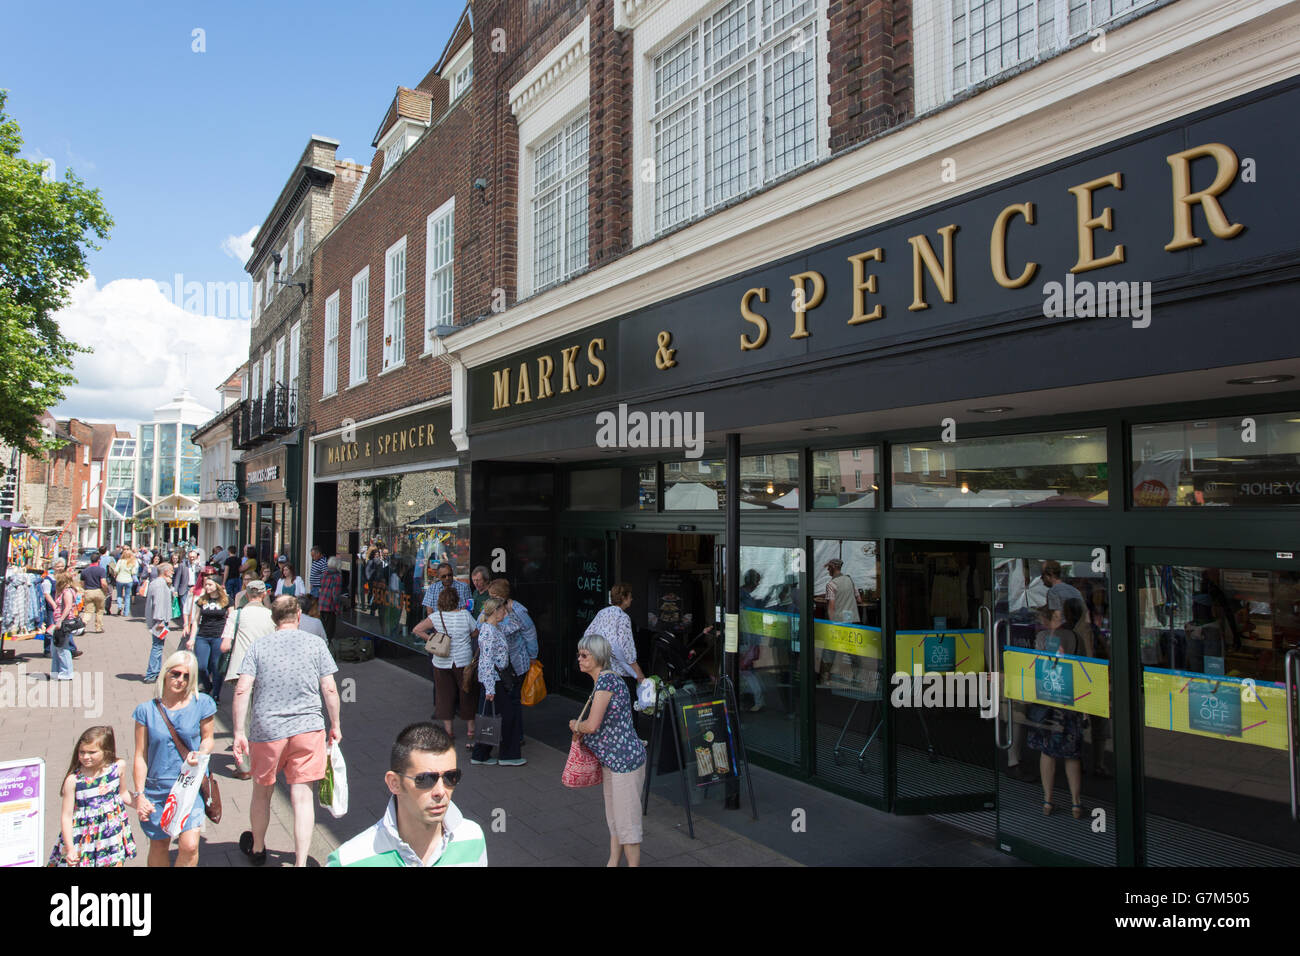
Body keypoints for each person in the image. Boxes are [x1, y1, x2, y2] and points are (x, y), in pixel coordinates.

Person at [233, 596, 341, 867]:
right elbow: (329, 687)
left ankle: (257, 848)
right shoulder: (315, 644)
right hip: (307, 727)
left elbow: (242, 688)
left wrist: (237, 732)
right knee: (302, 797)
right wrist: (335, 724)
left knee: (262, 791)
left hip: (267, 729)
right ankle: (301, 861)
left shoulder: (259, 646)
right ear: (299, 616)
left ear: (274, 618)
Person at [327, 722, 486, 867]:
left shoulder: (472, 838)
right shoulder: (349, 861)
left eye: (451, 777)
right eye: (425, 779)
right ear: (394, 783)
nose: (440, 791)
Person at [131, 651, 216, 867]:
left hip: (189, 786)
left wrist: (202, 752)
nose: (180, 680)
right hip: (157, 788)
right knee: (159, 845)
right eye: (175, 673)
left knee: (189, 846)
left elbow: (208, 739)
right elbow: (140, 755)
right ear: (165, 673)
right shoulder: (146, 711)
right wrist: (139, 795)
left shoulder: (202, 703)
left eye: (187, 676)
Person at [570, 633, 647, 867]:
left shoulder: (605, 682)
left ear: (598, 657)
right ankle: (612, 862)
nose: (580, 659)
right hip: (615, 761)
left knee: (627, 822)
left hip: (623, 762)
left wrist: (576, 725)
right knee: (616, 819)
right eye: (579, 655)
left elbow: (592, 725)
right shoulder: (608, 679)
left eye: (585, 655)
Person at [49, 726, 138, 867]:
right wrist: (70, 848)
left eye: (92, 752)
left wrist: (141, 805)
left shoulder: (118, 767)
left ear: (106, 751)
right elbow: (66, 816)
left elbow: (123, 793)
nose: (85, 757)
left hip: (111, 834)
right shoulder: (74, 780)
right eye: (82, 752)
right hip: (84, 839)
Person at [1028, 605, 1085, 818]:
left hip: (1047, 698)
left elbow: (1037, 664)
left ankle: (1048, 800)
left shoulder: (1042, 637)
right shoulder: (1075, 637)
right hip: (1069, 698)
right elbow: (1083, 666)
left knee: (1047, 751)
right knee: (1072, 754)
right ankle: (1076, 803)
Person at [218, 580, 274, 778]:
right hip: (265, 669)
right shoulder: (271, 615)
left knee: (243, 716)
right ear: (264, 595)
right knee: (262, 715)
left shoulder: (237, 614)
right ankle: (264, 759)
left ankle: (244, 767)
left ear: (247, 595)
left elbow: (224, 646)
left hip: (242, 670)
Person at [413, 587, 478, 742]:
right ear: (456, 600)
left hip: (441, 661)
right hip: (463, 660)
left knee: (444, 695)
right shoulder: (465, 615)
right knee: (467, 693)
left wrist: (432, 639)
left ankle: (448, 730)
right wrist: (467, 637)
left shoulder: (436, 616)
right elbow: (477, 631)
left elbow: (417, 629)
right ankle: (471, 729)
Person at [471, 598, 528, 767]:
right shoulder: (489, 631)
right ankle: (508, 755)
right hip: (494, 681)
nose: (505, 613)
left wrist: (511, 609)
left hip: (496, 680)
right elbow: (486, 661)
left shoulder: (497, 627)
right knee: (508, 716)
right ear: (495, 612)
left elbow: (517, 624)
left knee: (490, 716)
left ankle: (481, 754)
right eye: (502, 610)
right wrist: (489, 688)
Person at [584, 583, 645, 684]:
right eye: (630, 596)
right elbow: (627, 649)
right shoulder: (623, 617)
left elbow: (587, 635)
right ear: (623, 598)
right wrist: (640, 675)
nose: (631, 599)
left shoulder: (602, 613)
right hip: (619, 674)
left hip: (601, 670)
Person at [182, 578, 231, 701]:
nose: (207, 587)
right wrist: (192, 638)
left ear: (217, 585)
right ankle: (207, 685)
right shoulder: (202, 600)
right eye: (206, 585)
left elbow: (231, 619)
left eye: (210, 584)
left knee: (216, 666)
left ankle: (216, 694)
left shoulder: (226, 600)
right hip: (203, 636)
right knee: (201, 666)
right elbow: (196, 620)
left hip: (218, 636)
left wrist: (228, 637)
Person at [819, 558, 860, 682]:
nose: (827, 570)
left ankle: (825, 678)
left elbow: (831, 607)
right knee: (851, 650)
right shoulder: (849, 580)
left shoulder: (831, 585)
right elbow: (859, 599)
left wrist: (832, 625)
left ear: (832, 568)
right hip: (850, 620)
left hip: (838, 621)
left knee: (829, 651)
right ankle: (857, 678)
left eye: (828, 568)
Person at [143, 563, 175, 684]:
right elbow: (159, 603)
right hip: (159, 621)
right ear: (165, 571)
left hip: (159, 620)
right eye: (171, 570)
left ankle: (155, 672)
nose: (173, 572)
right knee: (157, 646)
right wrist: (160, 620)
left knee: (159, 646)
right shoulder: (160, 585)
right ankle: (151, 674)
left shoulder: (158, 583)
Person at [49, 570, 79, 681]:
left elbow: (68, 607)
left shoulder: (67, 592)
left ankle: (67, 672)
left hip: (64, 623)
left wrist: (60, 620)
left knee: (62, 648)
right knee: (56, 647)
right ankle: (56, 671)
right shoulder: (64, 591)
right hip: (60, 622)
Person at [78, 553, 108, 633]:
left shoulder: (85, 571)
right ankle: (98, 628)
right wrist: (106, 590)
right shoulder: (101, 570)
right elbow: (103, 583)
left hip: (88, 591)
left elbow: (81, 583)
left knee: (88, 611)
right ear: (98, 560)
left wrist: (84, 590)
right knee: (99, 610)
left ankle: (83, 625)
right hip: (98, 591)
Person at [318, 556, 344, 648]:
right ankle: (327, 649)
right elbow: (335, 594)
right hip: (330, 606)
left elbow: (321, 589)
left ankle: (321, 646)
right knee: (329, 631)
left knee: (323, 628)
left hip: (322, 604)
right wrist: (338, 609)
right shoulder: (337, 576)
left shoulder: (324, 574)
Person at [113, 547, 139, 616]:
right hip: (128, 580)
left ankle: (119, 606)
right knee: (127, 596)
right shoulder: (132, 562)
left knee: (119, 594)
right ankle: (126, 612)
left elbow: (115, 570)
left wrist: (116, 574)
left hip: (120, 579)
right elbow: (133, 572)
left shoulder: (120, 561)